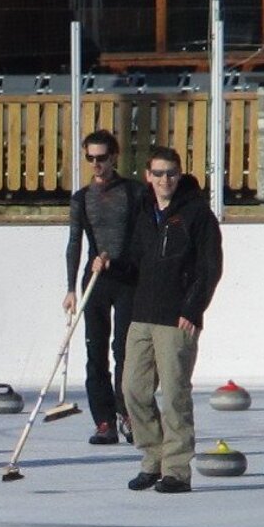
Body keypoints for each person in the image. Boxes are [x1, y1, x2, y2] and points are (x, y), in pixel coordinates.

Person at [92, 146, 223, 493]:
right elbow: (135, 262)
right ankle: (152, 459)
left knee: (175, 395)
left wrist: (193, 310)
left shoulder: (197, 215)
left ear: (179, 175)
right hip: (142, 315)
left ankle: (176, 470)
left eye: (172, 173)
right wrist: (111, 266)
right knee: (132, 389)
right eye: (159, 173)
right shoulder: (146, 212)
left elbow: (209, 269)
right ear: (148, 176)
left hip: (176, 319)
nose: (165, 180)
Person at [64, 129, 147, 446]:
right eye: (90, 159)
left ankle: (127, 414)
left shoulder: (135, 192)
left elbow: (142, 240)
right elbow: (74, 242)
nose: (96, 164)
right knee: (95, 352)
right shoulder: (81, 198)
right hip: (95, 281)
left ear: (114, 157)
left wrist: (122, 263)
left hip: (126, 279)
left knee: (125, 352)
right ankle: (103, 421)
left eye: (102, 158)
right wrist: (71, 288)